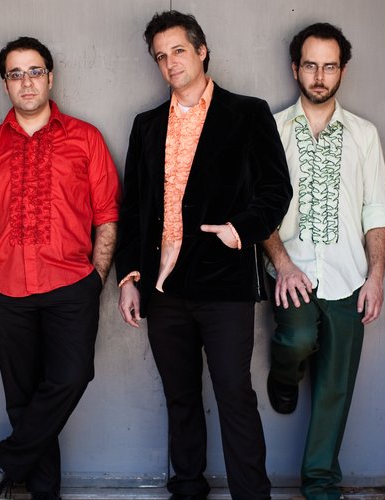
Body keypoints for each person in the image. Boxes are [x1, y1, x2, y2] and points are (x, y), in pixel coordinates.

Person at [115, 11, 292, 500]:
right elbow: (133, 209)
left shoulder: (247, 113)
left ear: (201, 50)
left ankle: (251, 494)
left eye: (178, 51)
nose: (170, 63)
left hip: (223, 283)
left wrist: (240, 231)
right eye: (160, 56)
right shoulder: (147, 125)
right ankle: (187, 488)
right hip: (163, 286)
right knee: (180, 397)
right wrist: (129, 278)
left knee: (234, 394)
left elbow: (276, 190)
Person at [0, 36, 121, 500]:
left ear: (50, 77)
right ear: (5, 84)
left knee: (72, 376)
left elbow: (107, 214)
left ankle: (4, 460)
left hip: (71, 284)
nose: (26, 82)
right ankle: (45, 493)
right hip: (1, 287)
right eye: (15, 74)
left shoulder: (86, 138)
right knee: (22, 396)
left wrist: (96, 279)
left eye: (34, 72)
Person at [263, 23, 385, 500]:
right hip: (290, 270)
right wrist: (283, 264)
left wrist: (376, 277)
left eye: (330, 66)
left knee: (335, 387)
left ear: (342, 71)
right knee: (297, 338)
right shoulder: (272, 130)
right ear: (295, 68)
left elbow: (376, 210)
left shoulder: (364, 134)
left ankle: (320, 486)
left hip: (348, 276)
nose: (320, 76)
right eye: (311, 65)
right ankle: (284, 375)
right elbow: (259, 207)